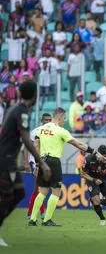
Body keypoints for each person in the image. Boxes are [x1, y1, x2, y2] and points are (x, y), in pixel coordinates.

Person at [28, 107, 106, 227]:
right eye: (64, 118)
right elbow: (78, 144)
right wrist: (94, 152)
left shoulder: (41, 129)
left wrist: (38, 164)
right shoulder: (60, 131)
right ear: (59, 117)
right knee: (56, 191)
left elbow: (37, 146)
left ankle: (32, 220)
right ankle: (47, 220)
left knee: (42, 191)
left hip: (42, 161)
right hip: (53, 162)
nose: (64, 120)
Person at [0, 81, 51, 247]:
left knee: (19, 193)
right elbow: (26, 139)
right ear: (35, 96)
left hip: (8, 159)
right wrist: (41, 163)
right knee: (8, 195)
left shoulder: (16, 110)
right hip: (4, 159)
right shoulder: (21, 111)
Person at [81, 145, 106, 225]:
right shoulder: (89, 159)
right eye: (104, 157)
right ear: (98, 154)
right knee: (96, 200)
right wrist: (93, 180)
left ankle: (94, 202)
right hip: (92, 180)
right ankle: (102, 219)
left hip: (104, 180)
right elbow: (82, 174)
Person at [24, 113, 52, 220]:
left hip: (46, 163)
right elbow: (27, 147)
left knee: (40, 188)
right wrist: (26, 162)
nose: (48, 122)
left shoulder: (52, 132)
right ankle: (39, 212)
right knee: (39, 187)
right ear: (42, 120)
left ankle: (31, 213)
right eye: (46, 120)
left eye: (49, 120)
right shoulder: (36, 132)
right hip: (35, 162)